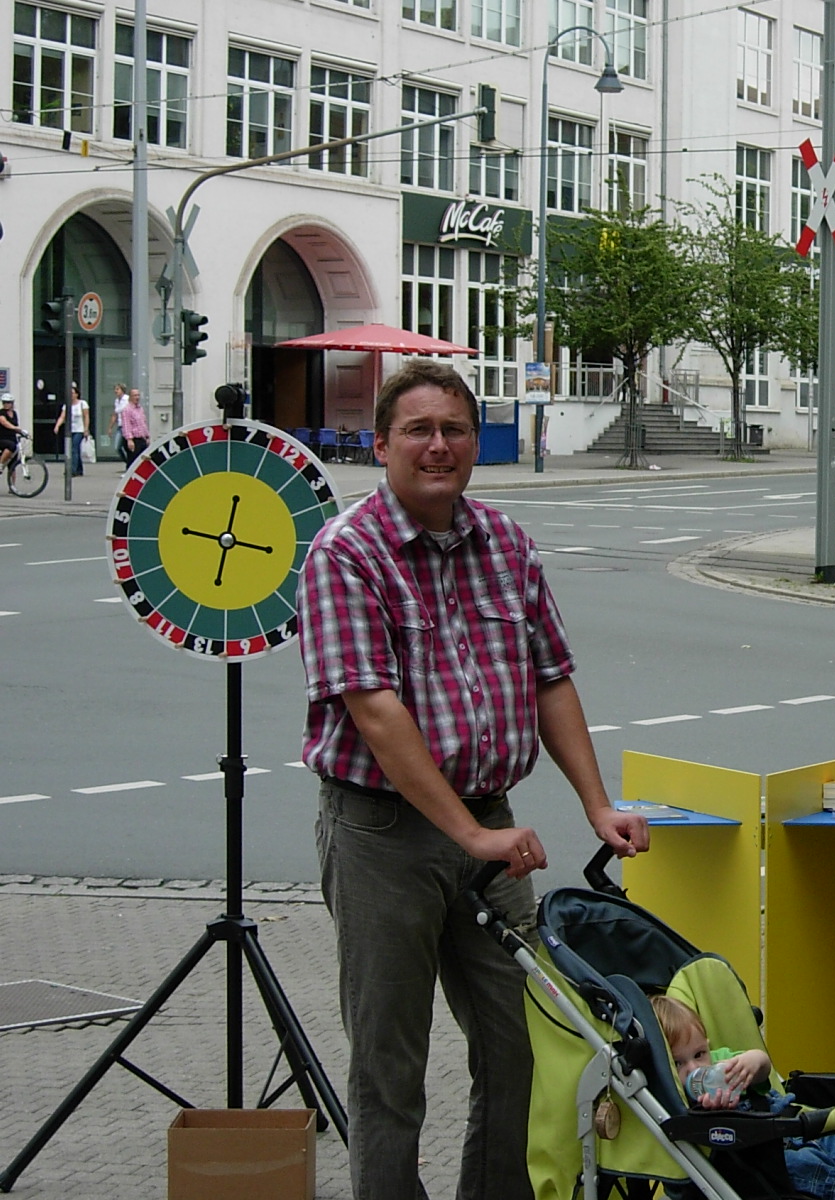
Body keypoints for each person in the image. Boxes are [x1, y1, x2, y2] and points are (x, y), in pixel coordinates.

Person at [297, 359, 650, 1200]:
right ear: (380, 445)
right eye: (417, 430)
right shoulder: (346, 553)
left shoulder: (506, 541)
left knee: (525, 1043)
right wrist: (471, 835)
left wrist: (595, 804)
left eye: (454, 429)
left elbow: (551, 679)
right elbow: (375, 712)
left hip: (490, 828)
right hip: (383, 835)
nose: (438, 446)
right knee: (391, 1066)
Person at [650, 995, 835, 1200]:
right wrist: (710, 1114)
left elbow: (762, 1070)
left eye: (699, 1054)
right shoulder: (678, 1102)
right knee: (803, 1166)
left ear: (708, 1047)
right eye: (678, 1063)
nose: (694, 1069)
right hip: (767, 1157)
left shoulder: (724, 1062)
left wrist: (753, 1061)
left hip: (799, 1126)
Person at [53, 384, 88, 476]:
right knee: (75, 449)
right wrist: (57, 426)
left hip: (79, 430)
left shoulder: (82, 404)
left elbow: (86, 416)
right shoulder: (67, 405)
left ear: (77, 394)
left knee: (74, 449)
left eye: (72, 393)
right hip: (70, 430)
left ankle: (72, 470)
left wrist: (86, 429)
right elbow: (62, 417)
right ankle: (79, 469)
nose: (71, 395)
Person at [117, 387, 150, 464]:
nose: (137, 397)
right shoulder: (127, 410)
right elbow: (126, 425)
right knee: (133, 462)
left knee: (142, 462)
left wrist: (147, 436)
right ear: (130, 397)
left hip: (142, 438)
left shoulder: (140, 409)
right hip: (133, 440)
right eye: (135, 395)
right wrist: (129, 440)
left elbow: (143, 424)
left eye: (138, 395)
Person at [0, 394, 21, 472]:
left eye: (8, 402)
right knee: (11, 446)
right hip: (2, 438)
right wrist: (16, 428)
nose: (6, 404)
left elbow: (15, 425)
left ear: (12, 403)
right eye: (4, 402)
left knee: (13, 464)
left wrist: (23, 433)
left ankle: (12, 484)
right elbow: (4, 423)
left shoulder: (14, 413)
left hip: (12, 438)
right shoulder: (1, 413)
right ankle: (0, 463)